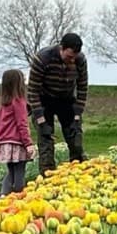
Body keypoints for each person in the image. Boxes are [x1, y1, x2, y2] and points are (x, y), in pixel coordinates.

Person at [27, 32, 88, 175]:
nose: (71, 61)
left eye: (74, 57)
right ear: (61, 48)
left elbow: (83, 87)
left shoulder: (80, 60)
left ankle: (79, 174)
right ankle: (47, 175)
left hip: (66, 99)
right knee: (46, 140)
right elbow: (33, 91)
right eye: (69, 57)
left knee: (75, 138)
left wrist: (77, 114)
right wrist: (41, 120)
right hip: (44, 99)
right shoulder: (43, 59)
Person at [0, 68, 35, 195]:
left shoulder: (4, 104)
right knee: (19, 172)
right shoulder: (18, 101)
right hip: (17, 142)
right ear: (19, 84)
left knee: (10, 172)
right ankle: (18, 198)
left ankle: (3, 196)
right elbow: (22, 124)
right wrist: (28, 143)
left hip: (5, 142)